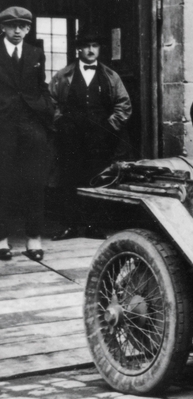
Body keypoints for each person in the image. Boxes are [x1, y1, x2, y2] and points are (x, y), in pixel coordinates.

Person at [51, 31, 132, 241]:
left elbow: (124, 104)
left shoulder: (111, 76)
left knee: (95, 178)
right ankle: (69, 225)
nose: (90, 50)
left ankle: (92, 225)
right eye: (86, 45)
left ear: (99, 48)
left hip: (100, 137)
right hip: (70, 136)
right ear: (79, 48)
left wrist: (110, 126)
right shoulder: (63, 75)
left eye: (95, 45)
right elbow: (50, 102)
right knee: (69, 177)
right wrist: (61, 123)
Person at [0, 7, 53, 262]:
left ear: (29, 28)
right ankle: (1, 239)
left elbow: (41, 86)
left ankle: (34, 238)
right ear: (3, 27)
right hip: (3, 126)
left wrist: (46, 109)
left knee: (34, 182)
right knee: (2, 182)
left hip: (31, 126)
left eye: (23, 26)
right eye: (12, 25)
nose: (18, 30)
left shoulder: (35, 53)